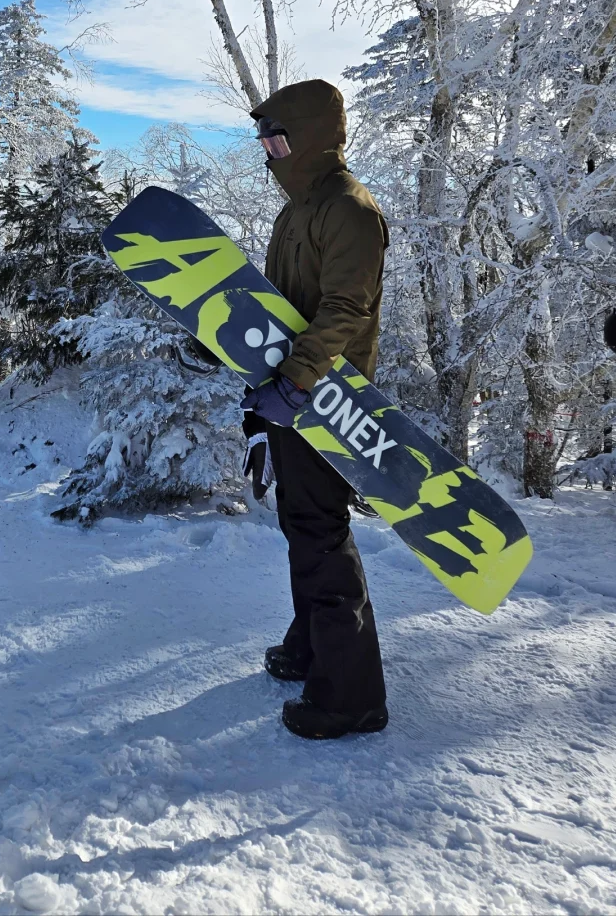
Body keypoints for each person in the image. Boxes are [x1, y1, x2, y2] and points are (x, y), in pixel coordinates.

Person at [241, 78, 390, 741]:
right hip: (294, 391)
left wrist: (297, 383)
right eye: (264, 140)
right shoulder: (298, 210)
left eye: (277, 138)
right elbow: (282, 304)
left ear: (309, 138)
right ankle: (312, 645)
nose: (268, 151)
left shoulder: (349, 209)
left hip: (327, 395)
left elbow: (346, 308)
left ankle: (351, 696)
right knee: (300, 523)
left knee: (321, 531)